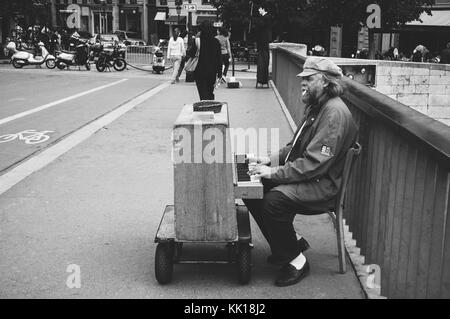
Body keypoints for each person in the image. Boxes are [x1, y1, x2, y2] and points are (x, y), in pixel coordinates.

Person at [244, 56, 358, 287]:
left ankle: (296, 260)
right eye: (302, 78)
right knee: (251, 188)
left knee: (273, 201)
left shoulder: (333, 114)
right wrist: (267, 160)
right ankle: (290, 243)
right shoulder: (318, 107)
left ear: (326, 82)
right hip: (312, 177)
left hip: (323, 185)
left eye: (309, 78)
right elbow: (294, 147)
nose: (302, 83)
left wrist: (273, 173)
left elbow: (314, 163)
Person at [189, 20, 222, 101]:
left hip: (199, 71)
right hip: (212, 71)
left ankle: (204, 107)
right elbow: (219, 58)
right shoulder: (216, 42)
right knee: (210, 91)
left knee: (202, 93)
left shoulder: (197, 41)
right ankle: (210, 106)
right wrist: (220, 72)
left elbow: (191, 54)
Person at [253, 4, 272, 87]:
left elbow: (262, 24)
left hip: (263, 42)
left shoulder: (267, 17)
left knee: (263, 61)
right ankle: (262, 80)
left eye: (260, 9)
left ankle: (262, 80)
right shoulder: (264, 18)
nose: (258, 10)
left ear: (263, 9)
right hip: (262, 42)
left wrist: (254, 19)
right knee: (263, 61)